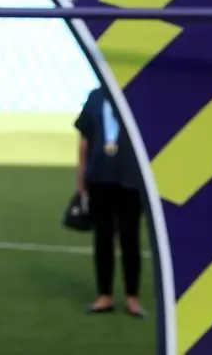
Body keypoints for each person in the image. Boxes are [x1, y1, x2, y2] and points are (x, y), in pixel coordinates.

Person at [75, 85, 146, 318]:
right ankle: (104, 295)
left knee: (130, 237)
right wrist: (81, 174)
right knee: (103, 237)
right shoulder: (95, 96)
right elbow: (85, 137)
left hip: (131, 178)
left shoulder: (137, 94)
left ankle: (132, 297)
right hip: (99, 177)